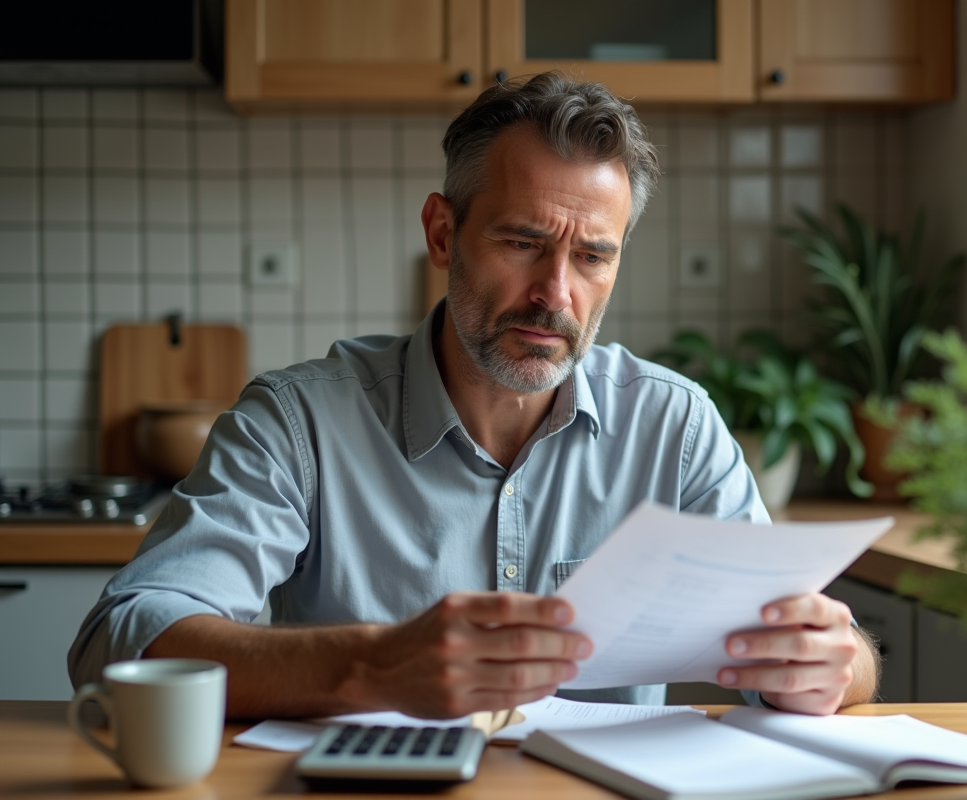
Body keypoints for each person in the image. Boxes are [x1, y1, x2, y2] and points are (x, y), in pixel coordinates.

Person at [69, 73, 878, 719]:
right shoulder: (300, 422)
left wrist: (835, 666)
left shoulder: (675, 428)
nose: (555, 295)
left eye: (593, 257)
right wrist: (373, 665)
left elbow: (822, 655)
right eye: (523, 243)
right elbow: (119, 640)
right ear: (443, 233)